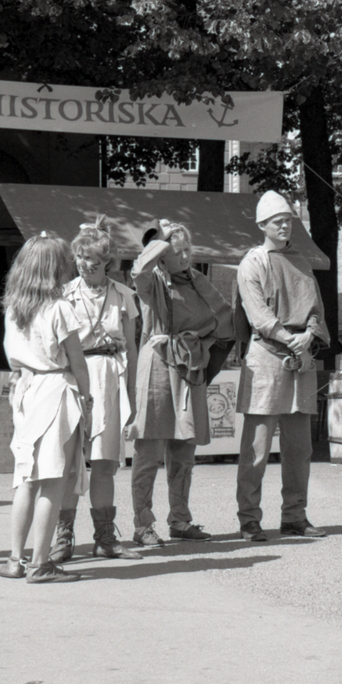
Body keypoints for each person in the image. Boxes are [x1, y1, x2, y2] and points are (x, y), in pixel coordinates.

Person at [129, 221, 234, 546]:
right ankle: (143, 525)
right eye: (178, 252)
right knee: (148, 453)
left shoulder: (199, 281)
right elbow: (139, 271)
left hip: (190, 369)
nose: (186, 256)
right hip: (159, 369)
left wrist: (201, 346)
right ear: (163, 256)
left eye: (189, 249)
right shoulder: (154, 281)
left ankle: (180, 520)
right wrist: (160, 240)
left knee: (183, 454)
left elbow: (225, 322)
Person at [234, 192, 331, 541]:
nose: (284, 224)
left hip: (300, 359)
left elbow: (316, 309)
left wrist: (309, 334)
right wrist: (293, 340)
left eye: (288, 218)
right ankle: (249, 520)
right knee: (257, 450)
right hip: (266, 360)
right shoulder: (253, 262)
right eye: (277, 219)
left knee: (300, 450)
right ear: (262, 225)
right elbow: (258, 314)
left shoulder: (302, 261)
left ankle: (295, 516)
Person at [50, 219, 142, 564]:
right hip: (74, 376)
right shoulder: (63, 295)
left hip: (110, 377)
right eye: (81, 257)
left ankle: (105, 538)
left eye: (94, 258)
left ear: (108, 261)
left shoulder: (125, 296)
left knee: (104, 462)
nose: (86, 264)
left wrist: (132, 396)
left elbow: (132, 349)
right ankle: (63, 536)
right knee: (71, 464)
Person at [3, 233, 92, 583]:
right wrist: (88, 398)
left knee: (24, 479)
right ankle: (41, 562)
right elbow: (78, 362)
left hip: (25, 391)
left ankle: (14, 559)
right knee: (52, 481)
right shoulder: (59, 308)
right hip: (55, 389)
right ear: (55, 271)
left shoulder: (13, 308)